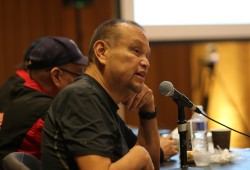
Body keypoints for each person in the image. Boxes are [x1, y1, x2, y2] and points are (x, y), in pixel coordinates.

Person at [41, 19, 160, 170]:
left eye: (147, 56)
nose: (146, 63)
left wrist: (147, 110)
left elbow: (152, 165)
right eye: (136, 51)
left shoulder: (102, 101)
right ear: (102, 52)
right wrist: (140, 154)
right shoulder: (81, 96)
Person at [0, 36, 89, 164]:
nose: (82, 81)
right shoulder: (51, 112)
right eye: (78, 74)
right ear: (56, 75)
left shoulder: (21, 97)